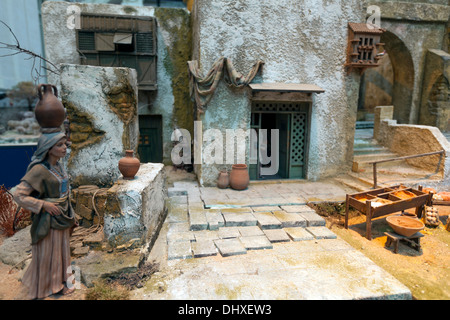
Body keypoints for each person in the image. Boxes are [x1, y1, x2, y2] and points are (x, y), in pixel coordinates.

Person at [13, 131, 77, 299]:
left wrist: (71, 212)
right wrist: (43, 204)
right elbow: (18, 195)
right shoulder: (39, 170)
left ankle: (62, 281)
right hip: (48, 220)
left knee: (62, 251)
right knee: (49, 252)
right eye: (59, 145)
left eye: (65, 144)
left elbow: (64, 193)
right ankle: (48, 286)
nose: (65, 148)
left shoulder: (59, 166)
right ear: (49, 149)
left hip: (62, 216)